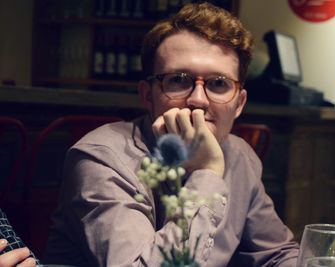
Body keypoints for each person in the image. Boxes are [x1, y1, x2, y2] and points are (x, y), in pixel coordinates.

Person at [44, 2, 299, 266]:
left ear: (239, 104)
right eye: (178, 80)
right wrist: (207, 174)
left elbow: (276, 254)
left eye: (219, 84)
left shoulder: (239, 155)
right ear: (147, 95)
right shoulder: (100, 159)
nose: (198, 100)